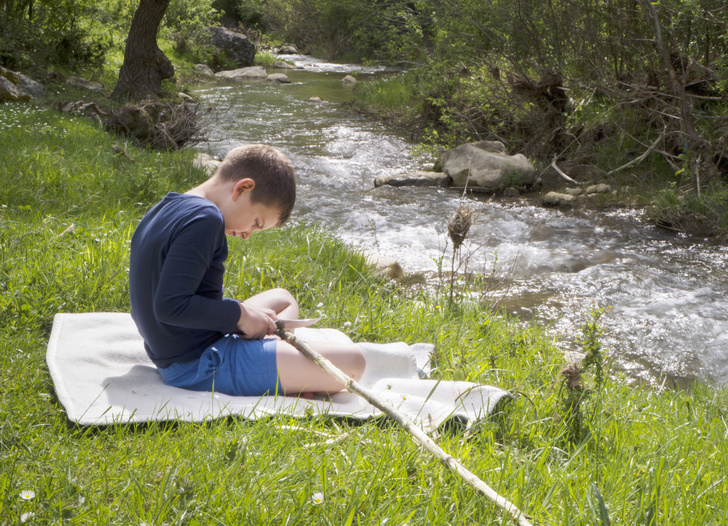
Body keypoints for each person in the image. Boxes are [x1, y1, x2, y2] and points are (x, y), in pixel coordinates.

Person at [129, 143, 366, 397]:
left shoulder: (167, 207)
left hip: (175, 346)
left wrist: (244, 316)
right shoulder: (206, 219)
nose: (246, 236)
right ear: (242, 188)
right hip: (198, 364)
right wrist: (240, 315)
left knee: (282, 298)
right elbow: (170, 306)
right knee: (354, 363)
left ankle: (279, 363)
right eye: (256, 222)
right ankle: (279, 369)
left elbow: (164, 297)